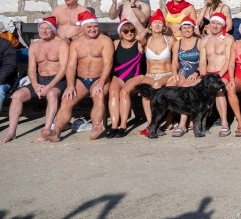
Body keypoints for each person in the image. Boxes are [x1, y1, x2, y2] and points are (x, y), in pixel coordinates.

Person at [2, 17, 68, 143]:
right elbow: (31, 69)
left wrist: (49, 86)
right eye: (41, 28)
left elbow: (63, 69)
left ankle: (46, 130)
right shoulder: (34, 45)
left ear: (53, 30)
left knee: (52, 94)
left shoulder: (61, 44)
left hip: (57, 79)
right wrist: (35, 85)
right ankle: (11, 132)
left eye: (47, 28)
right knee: (17, 96)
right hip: (39, 79)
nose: (44, 31)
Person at [49, 11, 113, 141]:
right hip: (81, 80)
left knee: (99, 95)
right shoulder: (76, 43)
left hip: (99, 78)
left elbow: (108, 63)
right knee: (67, 99)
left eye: (95, 26)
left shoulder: (105, 41)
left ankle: (97, 126)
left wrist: (101, 82)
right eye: (89, 27)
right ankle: (56, 131)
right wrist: (70, 85)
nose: (93, 29)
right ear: (82, 27)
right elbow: (71, 66)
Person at [118, 9, 175, 137]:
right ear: (150, 26)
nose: (157, 25)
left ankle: (166, 120)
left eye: (160, 23)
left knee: (157, 86)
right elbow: (138, 37)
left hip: (166, 73)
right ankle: (151, 123)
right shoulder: (146, 40)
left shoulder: (170, 40)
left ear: (164, 26)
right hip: (150, 74)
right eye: (154, 23)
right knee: (145, 90)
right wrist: (147, 29)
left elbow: (176, 59)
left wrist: (175, 74)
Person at [105, 18, 145, 138]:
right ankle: (114, 125)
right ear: (120, 33)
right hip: (118, 76)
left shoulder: (139, 43)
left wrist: (146, 29)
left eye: (132, 30)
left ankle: (123, 125)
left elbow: (142, 37)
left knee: (124, 92)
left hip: (136, 76)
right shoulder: (116, 43)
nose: (129, 33)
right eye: (125, 31)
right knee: (113, 93)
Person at [199, 12, 235, 136]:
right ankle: (188, 123)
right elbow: (202, 62)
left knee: (218, 90)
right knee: (192, 88)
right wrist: (204, 77)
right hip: (208, 74)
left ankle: (224, 123)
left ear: (223, 26)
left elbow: (228, 60)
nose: (215, 26)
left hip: (222, 73)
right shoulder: (204, 40)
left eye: (218, 24)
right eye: (213, 23)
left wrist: (218, 76)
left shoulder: (228, 39)